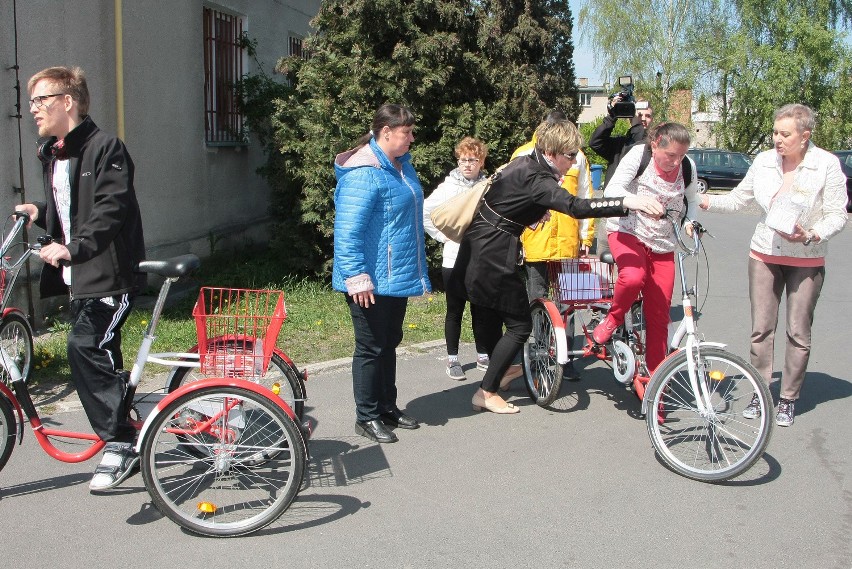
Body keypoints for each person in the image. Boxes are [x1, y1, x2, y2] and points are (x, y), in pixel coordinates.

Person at [447, 119, 663, 414]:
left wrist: (530, 215)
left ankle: (503, 371)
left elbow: (505, 200)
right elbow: (577, 207)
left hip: (483, 245)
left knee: (495, 316)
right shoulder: (538, 179)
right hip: (491, 255)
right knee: (520, 324)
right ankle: (487, 391)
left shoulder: (525, 163)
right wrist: (626, 202)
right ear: (552, 152)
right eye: (570, 155)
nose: (575, 162)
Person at [17, 66, 146, 491]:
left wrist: (73, 249)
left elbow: (110, 209)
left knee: (84, 346)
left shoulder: (106, 147)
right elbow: (71, 205)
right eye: (31, 101)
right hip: (81, 275)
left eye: (40, 100)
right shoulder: (53, 152)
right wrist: (41, 211)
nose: (33, 108)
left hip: (110, 273)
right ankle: (125, 420)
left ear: (67, 101)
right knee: (101, 353)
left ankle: (121, 441)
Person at [698, 103, 848, 427]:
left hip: (807, 258)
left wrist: (812, 234)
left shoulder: (827, 165)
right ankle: (761, 392)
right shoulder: (764, 161)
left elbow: (838, 213)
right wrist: (703, 201)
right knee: (761, 329)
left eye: (785, 134)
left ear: (805, 136)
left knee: (798, 331)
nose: (777, 139)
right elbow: (740, 198)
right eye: (775, 132)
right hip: (764, 253)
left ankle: (788, 399)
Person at [332, 104, 431, 443]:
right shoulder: (364, 172)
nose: (412, 138)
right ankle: (367, 416)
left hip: (395, 276)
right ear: (386, 133)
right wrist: (356, 276)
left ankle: (387, 406)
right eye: (407, 133)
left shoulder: (401, 167)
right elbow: (347, 231)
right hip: (369, 281)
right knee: (371, 347)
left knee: (389, 342)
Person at [594, 122, 698, 376]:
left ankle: (655, 380)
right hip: (627, 230)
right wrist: (637, 201)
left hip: (662, 243)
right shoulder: (640, 155)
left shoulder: (687, 167)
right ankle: (614, 318)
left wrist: (690, 221)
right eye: (670, 155)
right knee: (633, 276)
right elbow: (612, 189)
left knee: (659, 316)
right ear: (655, 144)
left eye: (681, 155)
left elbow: (692, 199)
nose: (675, 161)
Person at [514, 113, 596, 382]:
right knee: (537, 299)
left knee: (567, 302)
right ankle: (538, 354)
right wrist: (518, 240)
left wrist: (586, 238)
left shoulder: (578, 156)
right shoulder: (524, 154)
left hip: (567, 241)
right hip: (536, 240)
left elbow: (585, 196)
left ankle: (566, 357)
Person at [423, 136, 496, 380]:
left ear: (481, 162)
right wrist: (445, 237)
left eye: (472, 160)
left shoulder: (488, 186)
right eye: (463, 159)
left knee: (480, 309)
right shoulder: (448, 188)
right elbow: (425, 212)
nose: (467, 164)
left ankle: (483, 354)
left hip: (481, 259)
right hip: (454, 258)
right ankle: (452, 359)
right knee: (455, 310)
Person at [589, 100, 654, 253]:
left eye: (647, 116)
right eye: (638, 114)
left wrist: (636, 124)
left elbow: (640, 141)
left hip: (637, 219)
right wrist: (611, 116)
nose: (642, 119)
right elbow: (595, 142)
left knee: (629, 269)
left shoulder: (651, 147)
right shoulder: (620, 144)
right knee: (603, 269)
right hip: (610, 213)